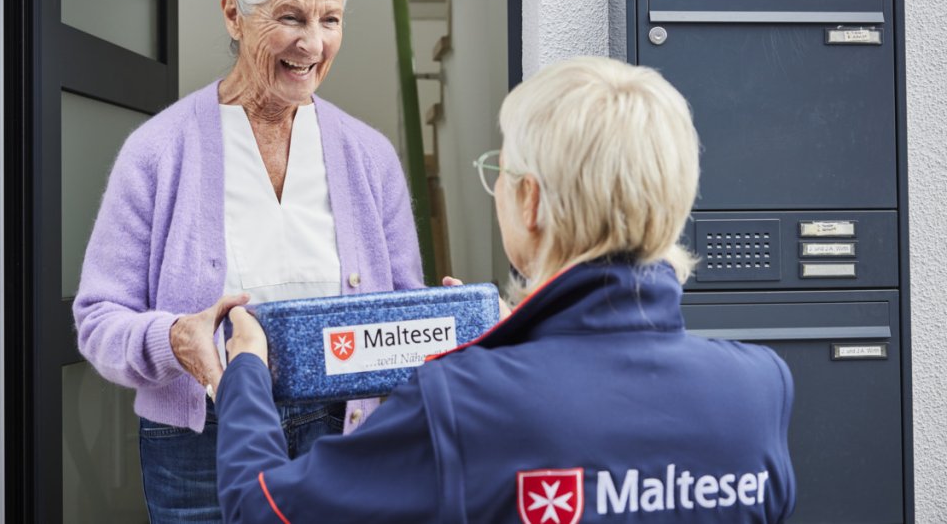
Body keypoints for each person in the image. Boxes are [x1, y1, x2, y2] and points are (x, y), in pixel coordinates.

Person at [215, 56, 797, 523]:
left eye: (503, 172)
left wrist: (244, 369)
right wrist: (515, 341)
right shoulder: (758, 387)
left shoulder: (463, 399)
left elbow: (261, 506)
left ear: (532, 200)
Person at [72, 0, 424, 522]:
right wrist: (171, 340)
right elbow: (99, 320)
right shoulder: (157, 150)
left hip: (343, 423)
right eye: (292, 17)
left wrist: (444, 325)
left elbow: (404, 307)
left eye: (331, 20)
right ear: (234, 15)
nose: (313, 44)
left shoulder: (369, 156)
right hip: (200, 437)